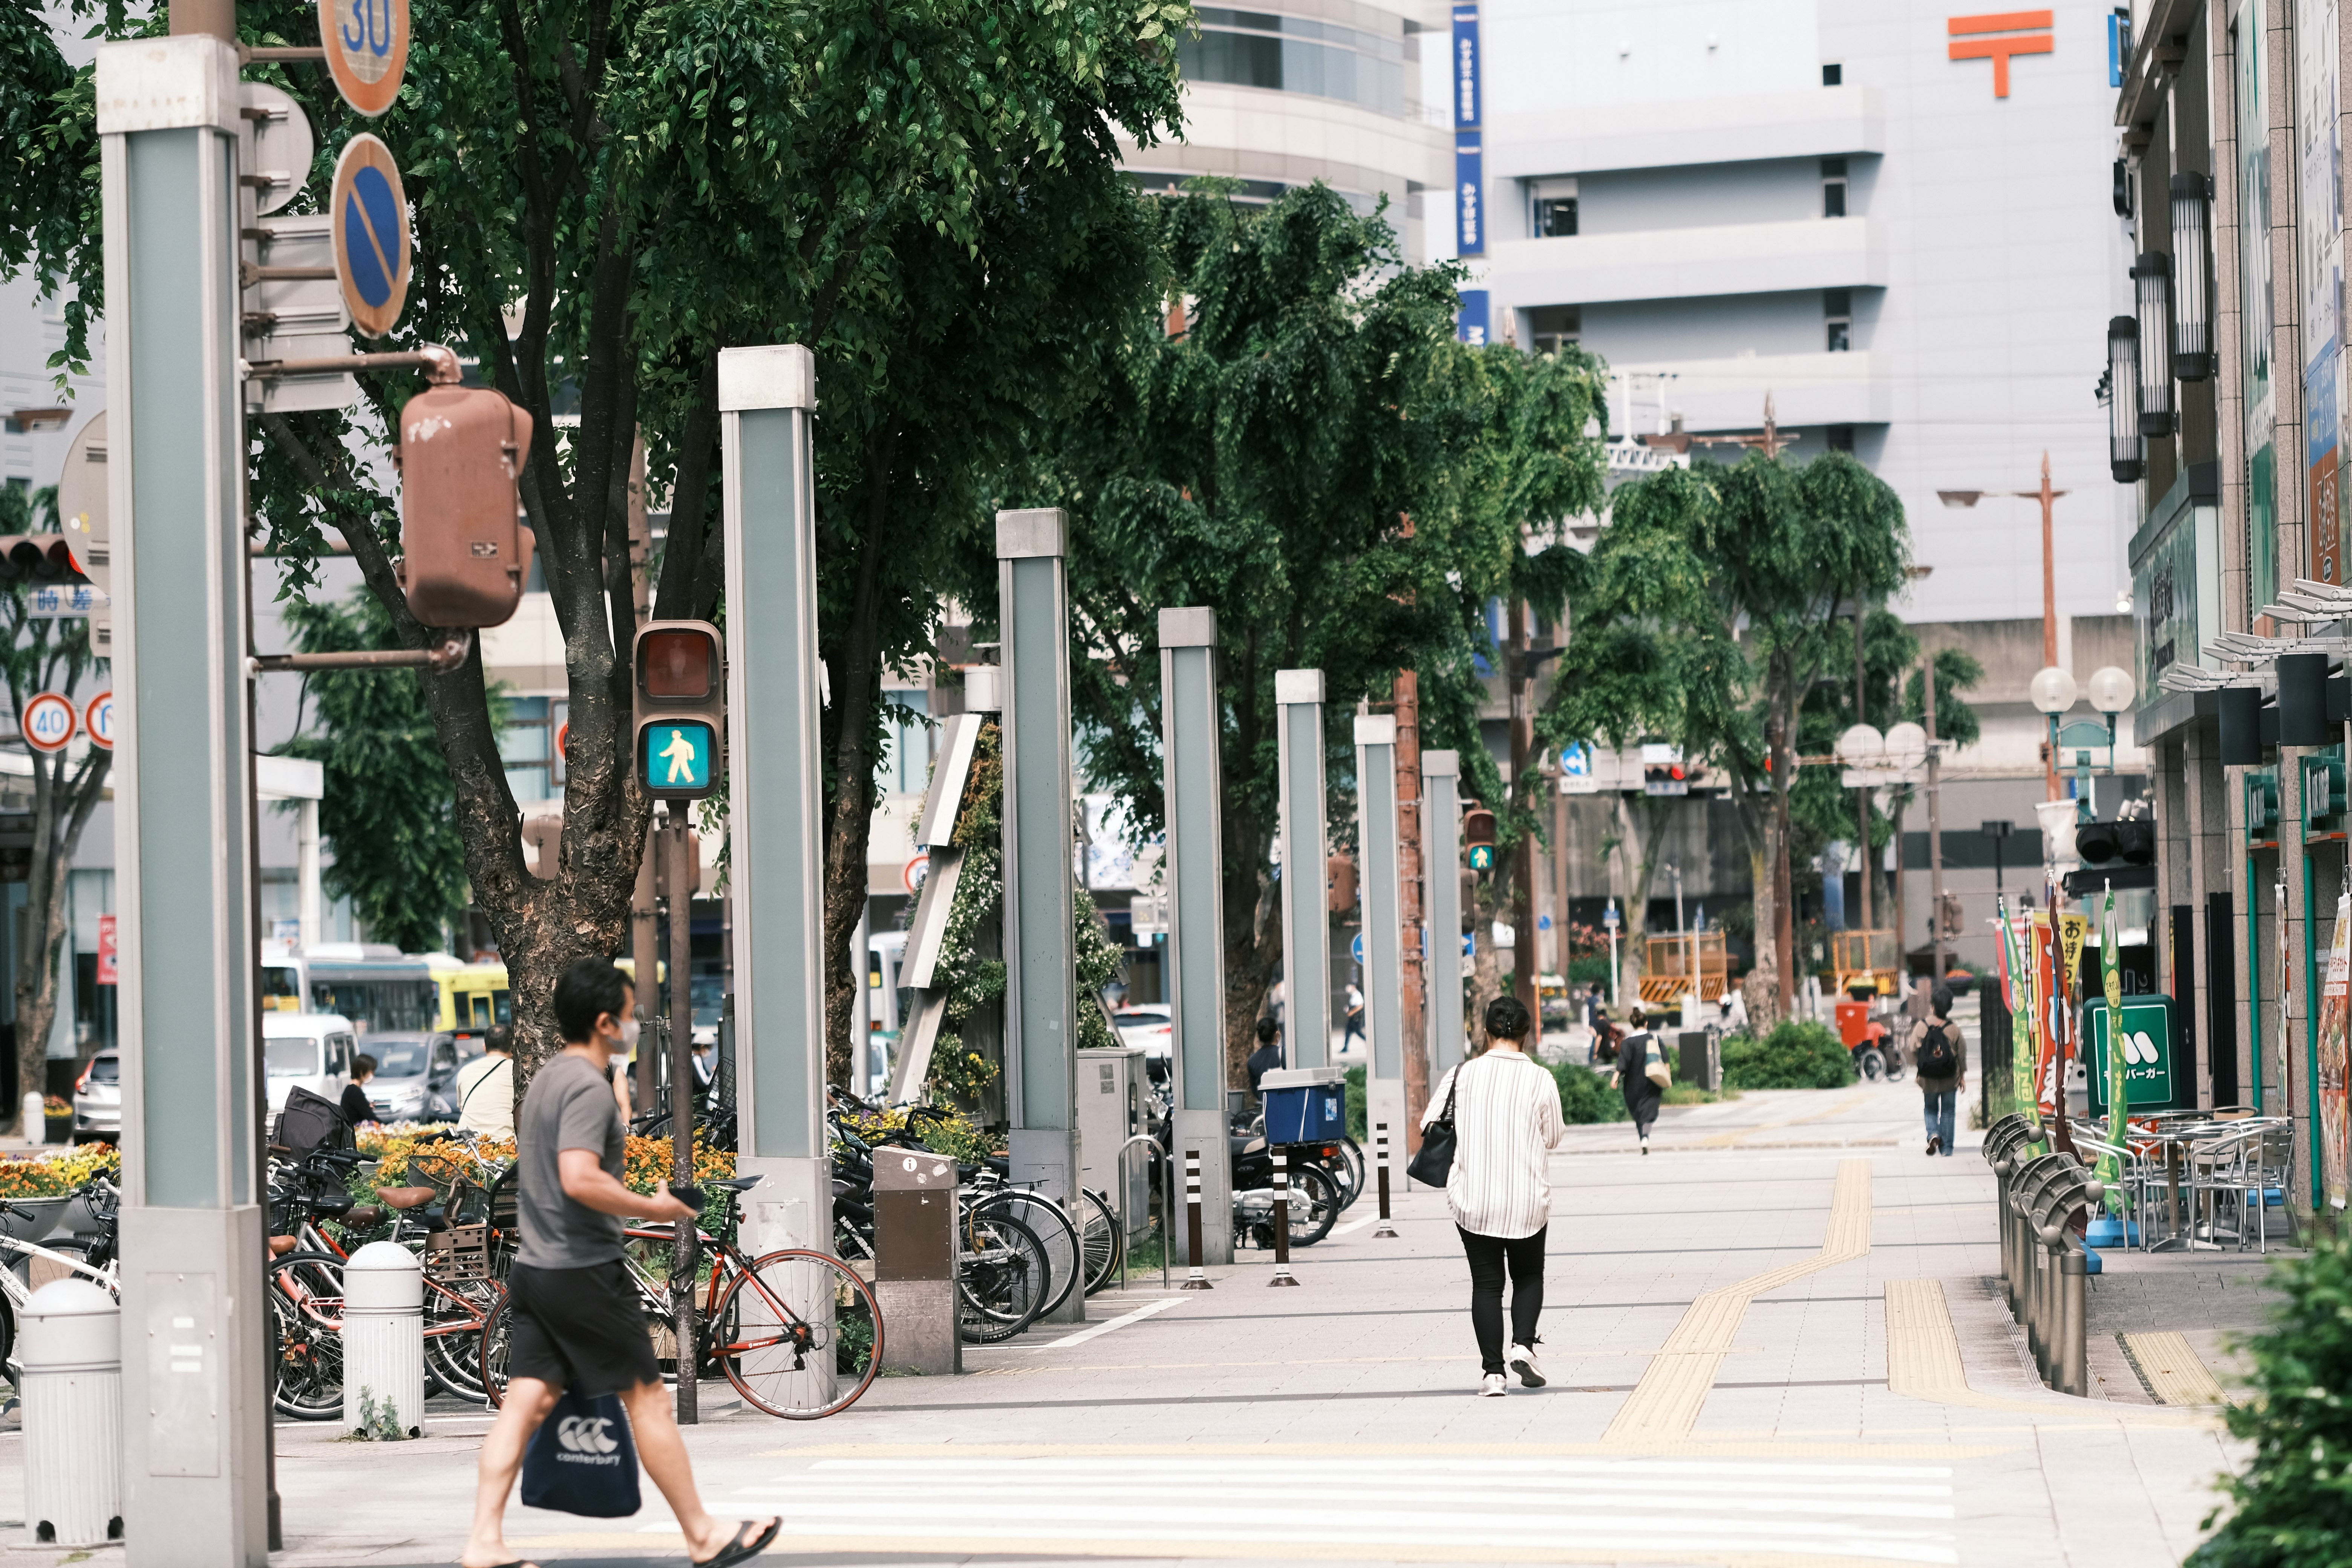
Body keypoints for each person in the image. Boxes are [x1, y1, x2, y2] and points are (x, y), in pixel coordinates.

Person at [460, 960, 777, 1568]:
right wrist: (653, 1205)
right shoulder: (584, 1085)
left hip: (537, 1270)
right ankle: (703, 1536)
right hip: (583, 1273)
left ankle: (483, 1542)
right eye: (630, 1016)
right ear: (605, 1023)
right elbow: (579, 1178)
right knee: (649, 1401)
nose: (635, 1024)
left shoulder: (549, 1078)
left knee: (525, 1402)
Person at [1423, 995, 1565, 1397]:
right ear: (1527, 1034)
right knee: (1529, 1274)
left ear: (1485, 1031)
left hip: (1476, 1199)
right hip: (1526, 1199)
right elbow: (1553, 1136)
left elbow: (1429, 1122)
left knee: (1486, 1285)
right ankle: (1523, 1344)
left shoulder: (1461, 1075)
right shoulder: (1540, 1078)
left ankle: (1493, 1375)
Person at [1911, 985, 1966, 1156]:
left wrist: (1920, 1068)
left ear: (1933, 1006)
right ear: (1949, 1007)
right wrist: (1962, 1076)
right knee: (1948, 1111)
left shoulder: (1922, 1027)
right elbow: (1962, 1055)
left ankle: (1933, 1134)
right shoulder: (1953, 1029)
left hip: (1928, 1078)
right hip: (1949, 1077)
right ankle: (1947, 1149)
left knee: (1930, 1109)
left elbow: (1913, 1049)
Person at [1611, 1006, 1663, 1153]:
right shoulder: (1654, 1038)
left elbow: (1623, 1062)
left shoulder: (1628, 1043)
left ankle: (1643, 1139)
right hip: (1652, 1081)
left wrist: (1615, 1078)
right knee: (1649, 1111)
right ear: (1646, 1023)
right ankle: (1645, 1136)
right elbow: (1665, 1057)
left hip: (1633, 1084)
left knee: (1638, 1112)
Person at [456, 1028, 516, 1141]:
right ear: (513, 1047)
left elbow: (462, 1108)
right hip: (504, 1145)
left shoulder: (465, 1071)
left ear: (485, 1048)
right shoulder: (518, 1071)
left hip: (466, 1145)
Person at [1246, 1015, 1284, 1095]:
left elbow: (1255, 1090)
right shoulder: (1283, 1054)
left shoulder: (1252, 1060)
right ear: (1277, 1033)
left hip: (1265, 1104)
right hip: (1283, 1101)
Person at [339, 1056, 378, 1129]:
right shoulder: (354, 1091)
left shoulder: (351, 1089)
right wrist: (387, 1125)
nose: (372, 1075)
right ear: (362, 1072)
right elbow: (369, 1116)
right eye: (371, 1072)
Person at [1342, 982, 1366, 1051]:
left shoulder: (1358, 995)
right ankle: (1345, 1048)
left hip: (1357, 1018)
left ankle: (1369, 1042)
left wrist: (1352, 1012)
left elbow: (1360, 1006)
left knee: (1358, 1032)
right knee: (1348, 1032)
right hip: (1352, 1018)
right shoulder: (1353, 996)